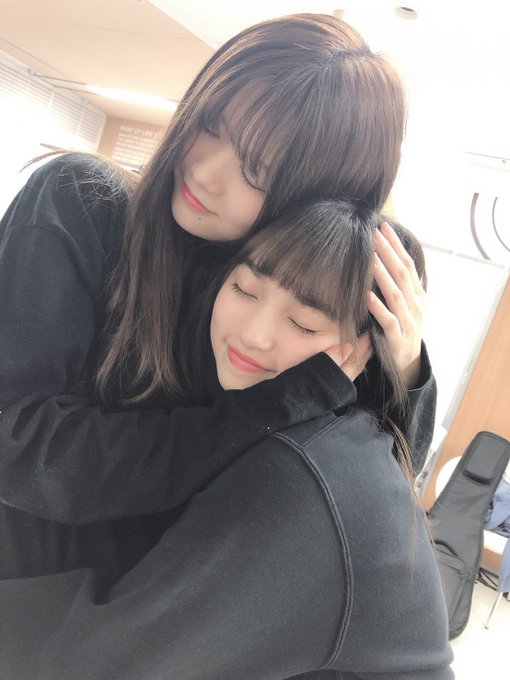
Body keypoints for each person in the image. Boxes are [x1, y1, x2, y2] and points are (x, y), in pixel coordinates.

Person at [0, 14, 434, 587]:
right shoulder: (83, 205)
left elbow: (372, 498)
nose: (204, 172)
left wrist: (406, 372)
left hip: (177, 616)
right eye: (209, 124)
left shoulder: (296, 314)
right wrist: (260, 414)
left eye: (258, 173)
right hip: (35, 600)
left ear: (318, 204)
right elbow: (19, 442)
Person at [0, 200, 453, 679]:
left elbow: (99, 663)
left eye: (304, 323)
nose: (253, 334)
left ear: (364, 351)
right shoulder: (273, 408)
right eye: (243, 288)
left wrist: (406, 371)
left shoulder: (306, 473)